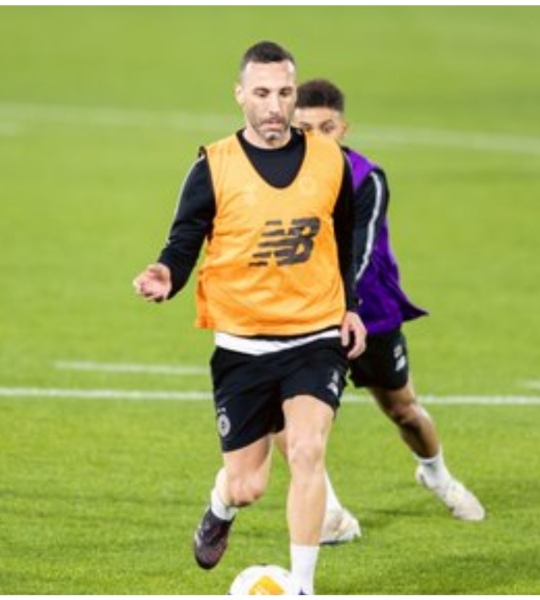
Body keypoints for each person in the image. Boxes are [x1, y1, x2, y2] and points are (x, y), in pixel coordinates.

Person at [132, 43, 366, 595]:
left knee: (308, 450)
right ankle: (220, 508)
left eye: (284, 93)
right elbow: (185, 236)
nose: (273, 107)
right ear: (240, 96)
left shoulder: (330, 159)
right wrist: (169, 272)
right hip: (243, 346)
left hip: (315, 335)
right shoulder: (213, 165)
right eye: (261, 94)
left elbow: (344, 237)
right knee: (248, 485)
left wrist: (351, 306)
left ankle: (304, 587)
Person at [287, 79, 486, 546]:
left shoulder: (365, 178)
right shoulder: (276, 177)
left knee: (402, 409)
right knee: (293, 423)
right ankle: (330, 513)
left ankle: (436, 476)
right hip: (304, 317)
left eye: (326, 127)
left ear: (343, 127)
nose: (315, 137)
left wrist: (341, 308)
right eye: (305, 128)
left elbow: (358, 252)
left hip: (368, 313)